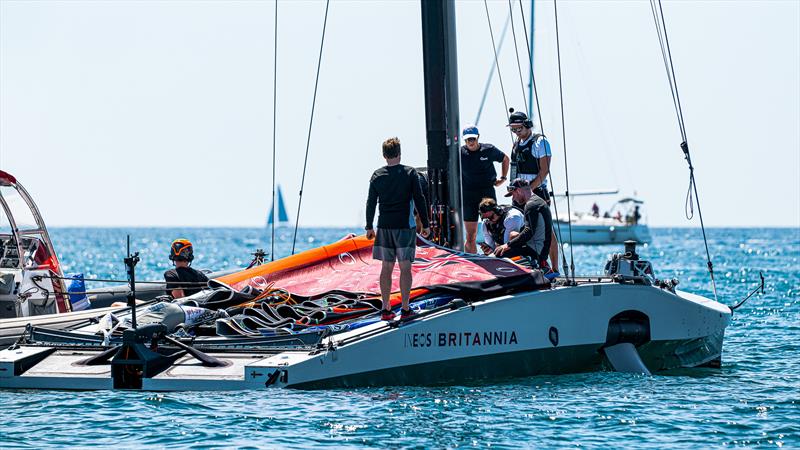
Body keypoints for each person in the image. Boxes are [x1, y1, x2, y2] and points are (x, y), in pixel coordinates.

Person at [365, 137, 431, 321]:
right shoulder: (410, 173)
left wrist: (369, 226)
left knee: (386, 268)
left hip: (384, 227)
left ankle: (386, 309)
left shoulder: (377, 175)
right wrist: (425, 224)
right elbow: (420, 199)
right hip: (405, 226)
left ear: (384, 155)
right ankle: (405, 308)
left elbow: (371, 203)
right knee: (405, 268)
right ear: (399, 154)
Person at [507, 109, 559, 269]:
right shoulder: (516, 144)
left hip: (536, 192)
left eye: (519, 129)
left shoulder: (540, 142)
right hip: (518, 193)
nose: (517, 132)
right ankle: (521, 266)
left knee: (547, 232)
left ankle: (554, 267)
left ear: (527, 125)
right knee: (517, 228)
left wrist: (528, 191)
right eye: (513, 129)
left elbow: (544, 171)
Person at [460, 125, 509, 254]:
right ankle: (472, 264)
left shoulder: (488, 150)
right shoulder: (459, 153)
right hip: (469, 195)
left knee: (496, 230)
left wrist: (503, 178)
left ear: (478, 138)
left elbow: (505, 158)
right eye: (467, 139)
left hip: (487, 194)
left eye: (473, 139)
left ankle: (500, 259)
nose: (470, 142)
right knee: (471, 236)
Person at [494, 178, 553, 270]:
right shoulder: (538, 201)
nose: (513, 198)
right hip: (541, 251)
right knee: (512, 237)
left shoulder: (531, 205)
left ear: (518, 191)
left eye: (513, 195)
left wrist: (508, 245)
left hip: (535, 252)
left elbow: (529, 232)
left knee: (497, 256)